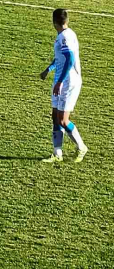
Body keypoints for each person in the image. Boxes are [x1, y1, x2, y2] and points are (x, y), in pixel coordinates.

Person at [40, 9, 89, 163]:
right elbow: (60, 58)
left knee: (62, 120)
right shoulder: (65, 35)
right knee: (55, 117)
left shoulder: (65, 37)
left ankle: (81, 147)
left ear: (54, 21)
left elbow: (70, 59)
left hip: (69, 82)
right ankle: (57, 153)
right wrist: (48, 69)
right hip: (60, 80)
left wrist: (60, 82)